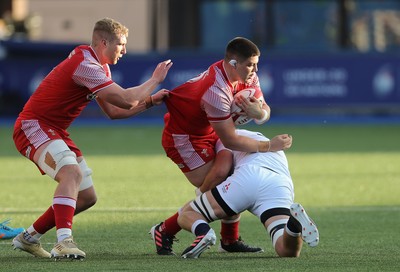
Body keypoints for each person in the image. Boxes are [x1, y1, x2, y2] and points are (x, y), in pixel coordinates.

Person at [12, 17, 172, 260]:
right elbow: (127, 99)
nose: (124, 50)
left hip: (54, 129)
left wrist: (149, 102)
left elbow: (114, 112)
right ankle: (64, 242)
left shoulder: (97, 66)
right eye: (121, 44)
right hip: (34, 126)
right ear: (104, 42)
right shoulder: (86, 65)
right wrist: (154, 80)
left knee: (87, 197)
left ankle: (29, 237)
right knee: (71, 174)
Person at [150, 37, 292, 255]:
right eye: (250, 64)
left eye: (256, 64)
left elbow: (265, 109)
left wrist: (260, 114)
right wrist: (269, 145)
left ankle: (228, 240)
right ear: (233, 64)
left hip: (211, 130)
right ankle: (165, 230)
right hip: (185, 137)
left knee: (229, 180)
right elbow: (230, 140)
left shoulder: (248, 76)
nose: (255, 70)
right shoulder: (216, 91)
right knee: (217, 183)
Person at [177, 129, 319, 258]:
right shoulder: (257, 135)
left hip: (248, 177)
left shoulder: (225, 137)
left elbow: (220, 173)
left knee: (186, 214)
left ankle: (204, 232)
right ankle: (293, 224)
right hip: (279, 183)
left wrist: (201, 192)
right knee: (287, 251)